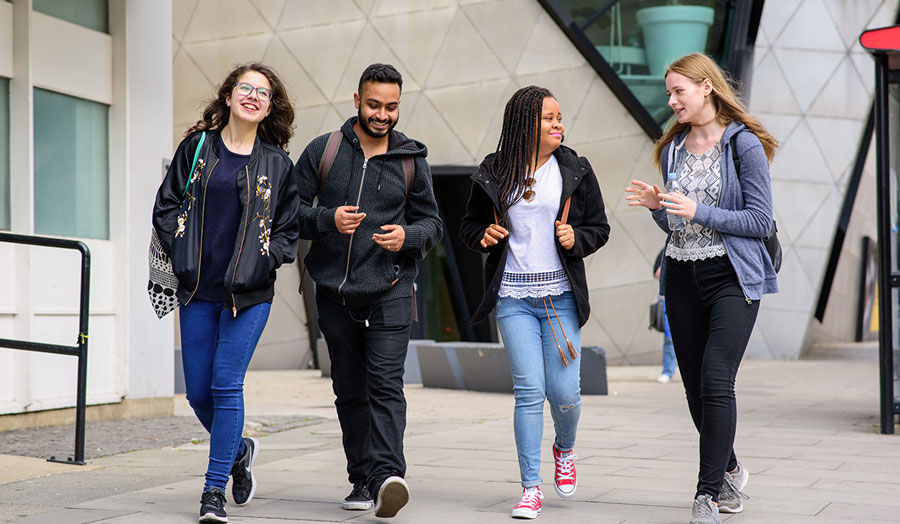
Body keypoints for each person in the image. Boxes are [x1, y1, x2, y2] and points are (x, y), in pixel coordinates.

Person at [625, 53, 778, 524]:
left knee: (716, 380)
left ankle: (707, 496)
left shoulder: (743, 145)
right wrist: (660, 207)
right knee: (695, 391)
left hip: (733, 277)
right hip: (683, 276)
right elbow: (677, 225)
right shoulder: (672, 148)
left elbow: (760, 220)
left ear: (707, 87)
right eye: (669, 93)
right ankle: (730, 468)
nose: (671, 101)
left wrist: (697, 211)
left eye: (679, 92)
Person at [293, 63, 442, 518]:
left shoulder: (412, 160)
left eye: (392, 106)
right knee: (349, 388)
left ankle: (387, 477)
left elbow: (432, 223)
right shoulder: (325, 151)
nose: (382, 114)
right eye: (374, 105)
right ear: (357, 101)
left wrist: (408, 238)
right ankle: (361, 478)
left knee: (385, 385)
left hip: (392, 288)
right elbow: (288, 211)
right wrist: (327, 220)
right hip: (334, 293)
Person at [153, 63, 300, 523]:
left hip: (249, 295)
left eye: (263, 92)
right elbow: (166, 206)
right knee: (198, 394)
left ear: (270, 106)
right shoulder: (197, 147)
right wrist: (182, 253)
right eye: (246, 87)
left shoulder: (277, 164)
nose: (253, 96)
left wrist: (264, 256)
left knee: (225, 383)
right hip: (198, 288)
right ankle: (238, 450)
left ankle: (213, 491)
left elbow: (288, 232)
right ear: (229, 94)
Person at [460, 86, 610, 520]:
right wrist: (482, 236)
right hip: (512, 296)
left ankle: (564, 448)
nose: (558, 124)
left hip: (561, 295)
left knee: (564, 392)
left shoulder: (575, 169)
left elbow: (598, 227)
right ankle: (530, 487)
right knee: (528, 391)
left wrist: (575, 238)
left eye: (560, 117)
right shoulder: (495, 170)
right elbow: (470, 226)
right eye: (549, 118)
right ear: (526, 123)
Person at [653, 249, 676, 383]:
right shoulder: (665, 251)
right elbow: (656, 273)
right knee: (669, 337)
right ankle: (668, 371)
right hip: (669, 296)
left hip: (692, 295)